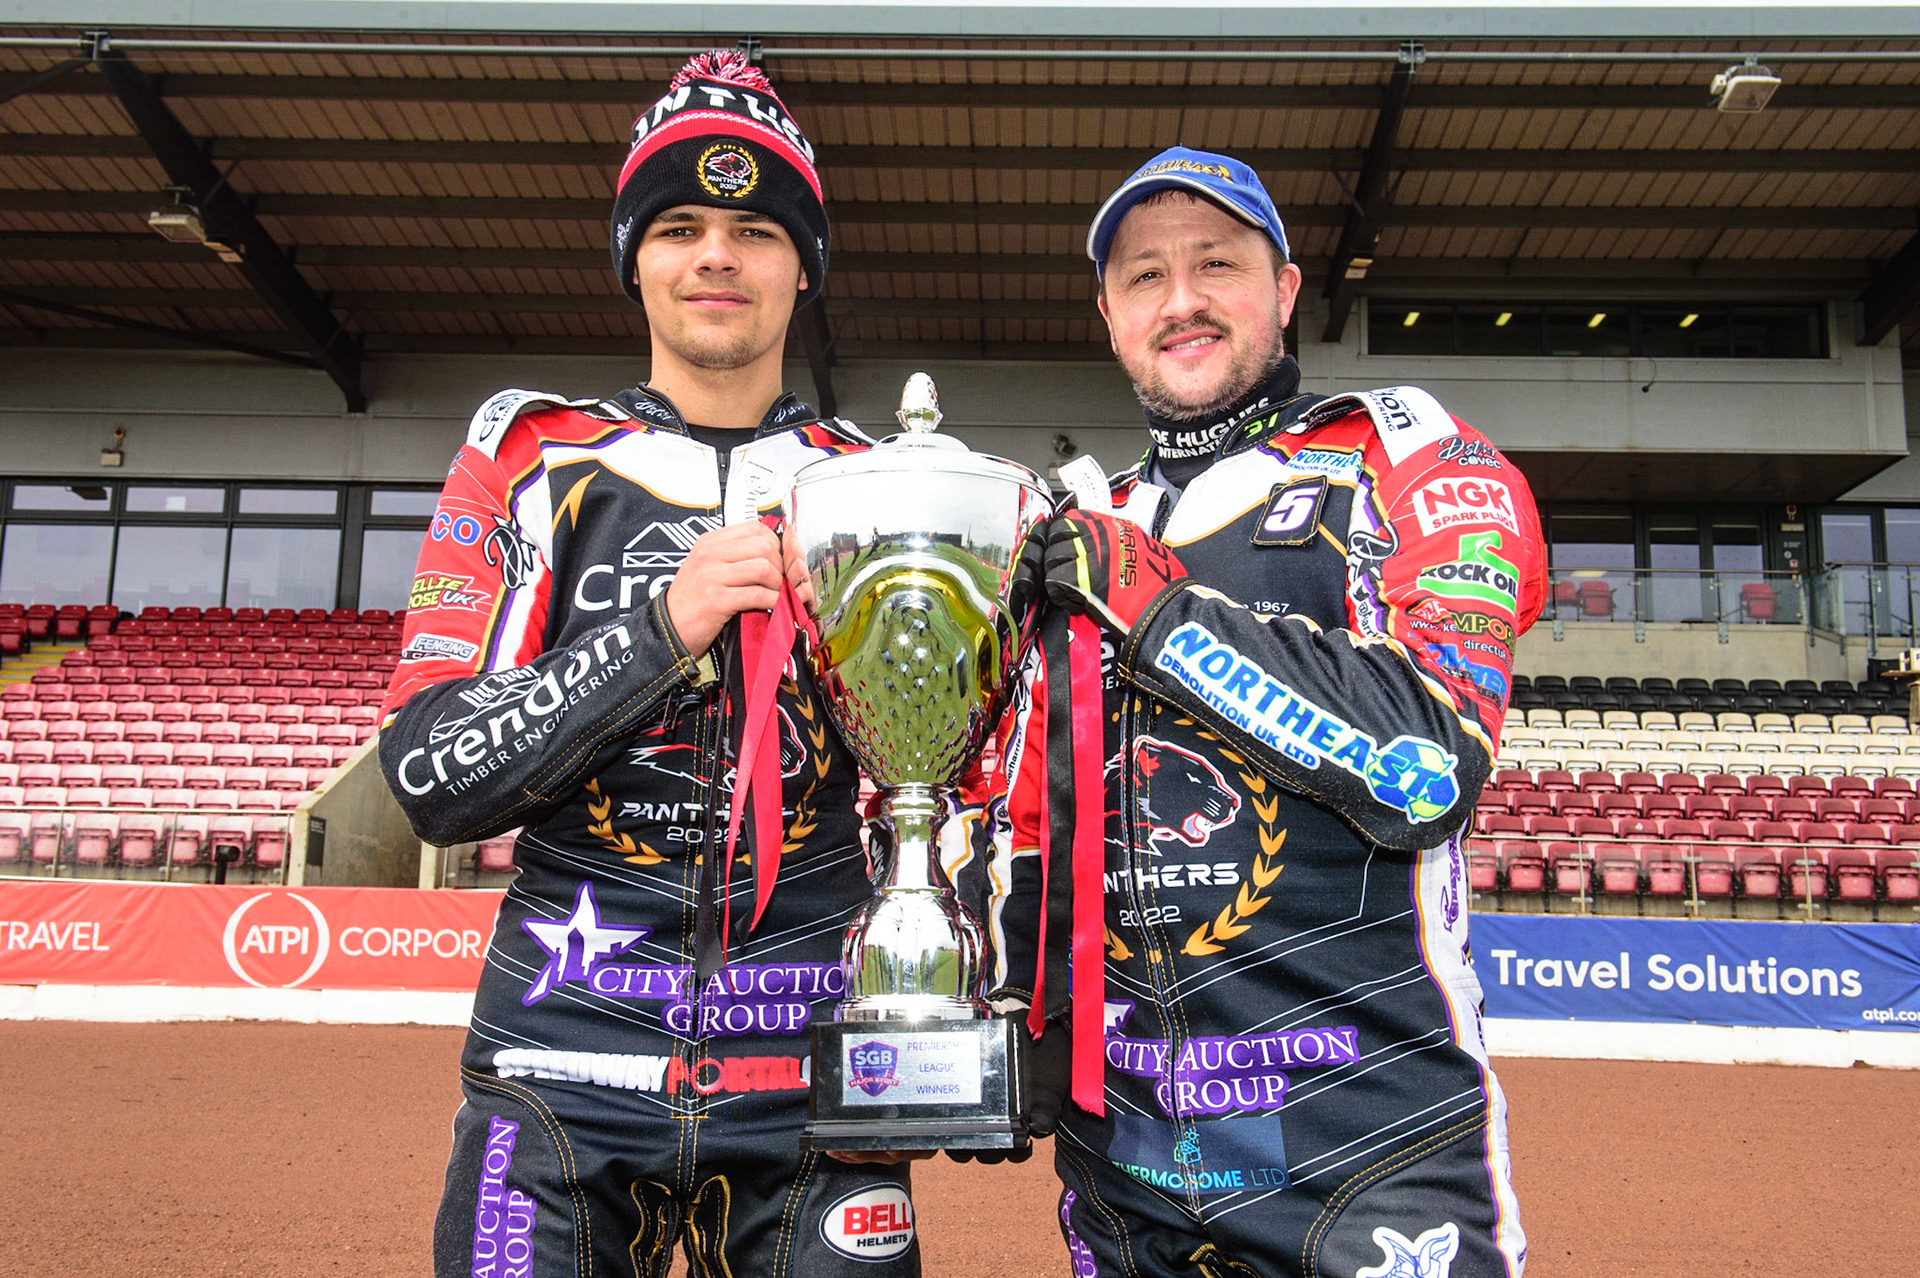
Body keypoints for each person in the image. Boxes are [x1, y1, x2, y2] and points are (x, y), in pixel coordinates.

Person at [378, 51, 923, 1278]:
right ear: (637, 258)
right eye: (679, 226)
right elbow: (428, 771)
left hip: (815, 1077)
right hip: (559, 1063)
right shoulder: (528, 459)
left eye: (755, 229)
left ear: (804, 266)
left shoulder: (885, 491)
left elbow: (953, 774)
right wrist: (658, 631)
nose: (716, 256)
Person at [991, 147, 1548, 1277]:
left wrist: (1162, 613)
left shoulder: (1403, 452)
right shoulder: (1077, 526)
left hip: (1369, 1155)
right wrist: (1021, 1000)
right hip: (1124, 1171)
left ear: (1285, 290)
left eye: (1216, 264)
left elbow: (1429, 763)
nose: (1182, 299)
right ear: (1108, 316)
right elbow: (1043, 807)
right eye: (1145, 277)